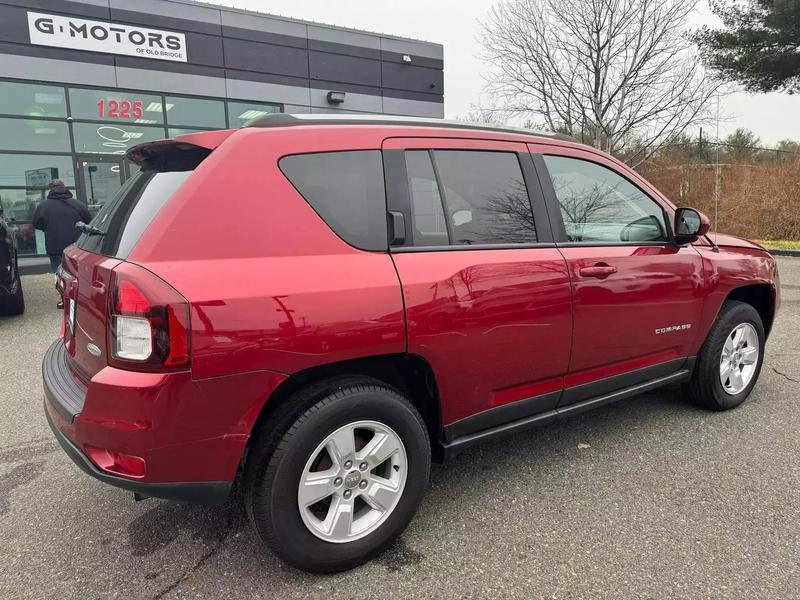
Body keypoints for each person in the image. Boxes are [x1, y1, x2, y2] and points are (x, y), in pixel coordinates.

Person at [33, 180, 91, 309]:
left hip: (55, 244)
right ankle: (81, 300)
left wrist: (48, 228)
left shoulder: (44, 206)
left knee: (59, 273)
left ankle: (64, 299)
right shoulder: (78, 204)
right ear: (64, 187)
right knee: (78, 272)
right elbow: (89, 221)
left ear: (50, 189)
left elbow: (36, 223)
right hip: (76, 246)